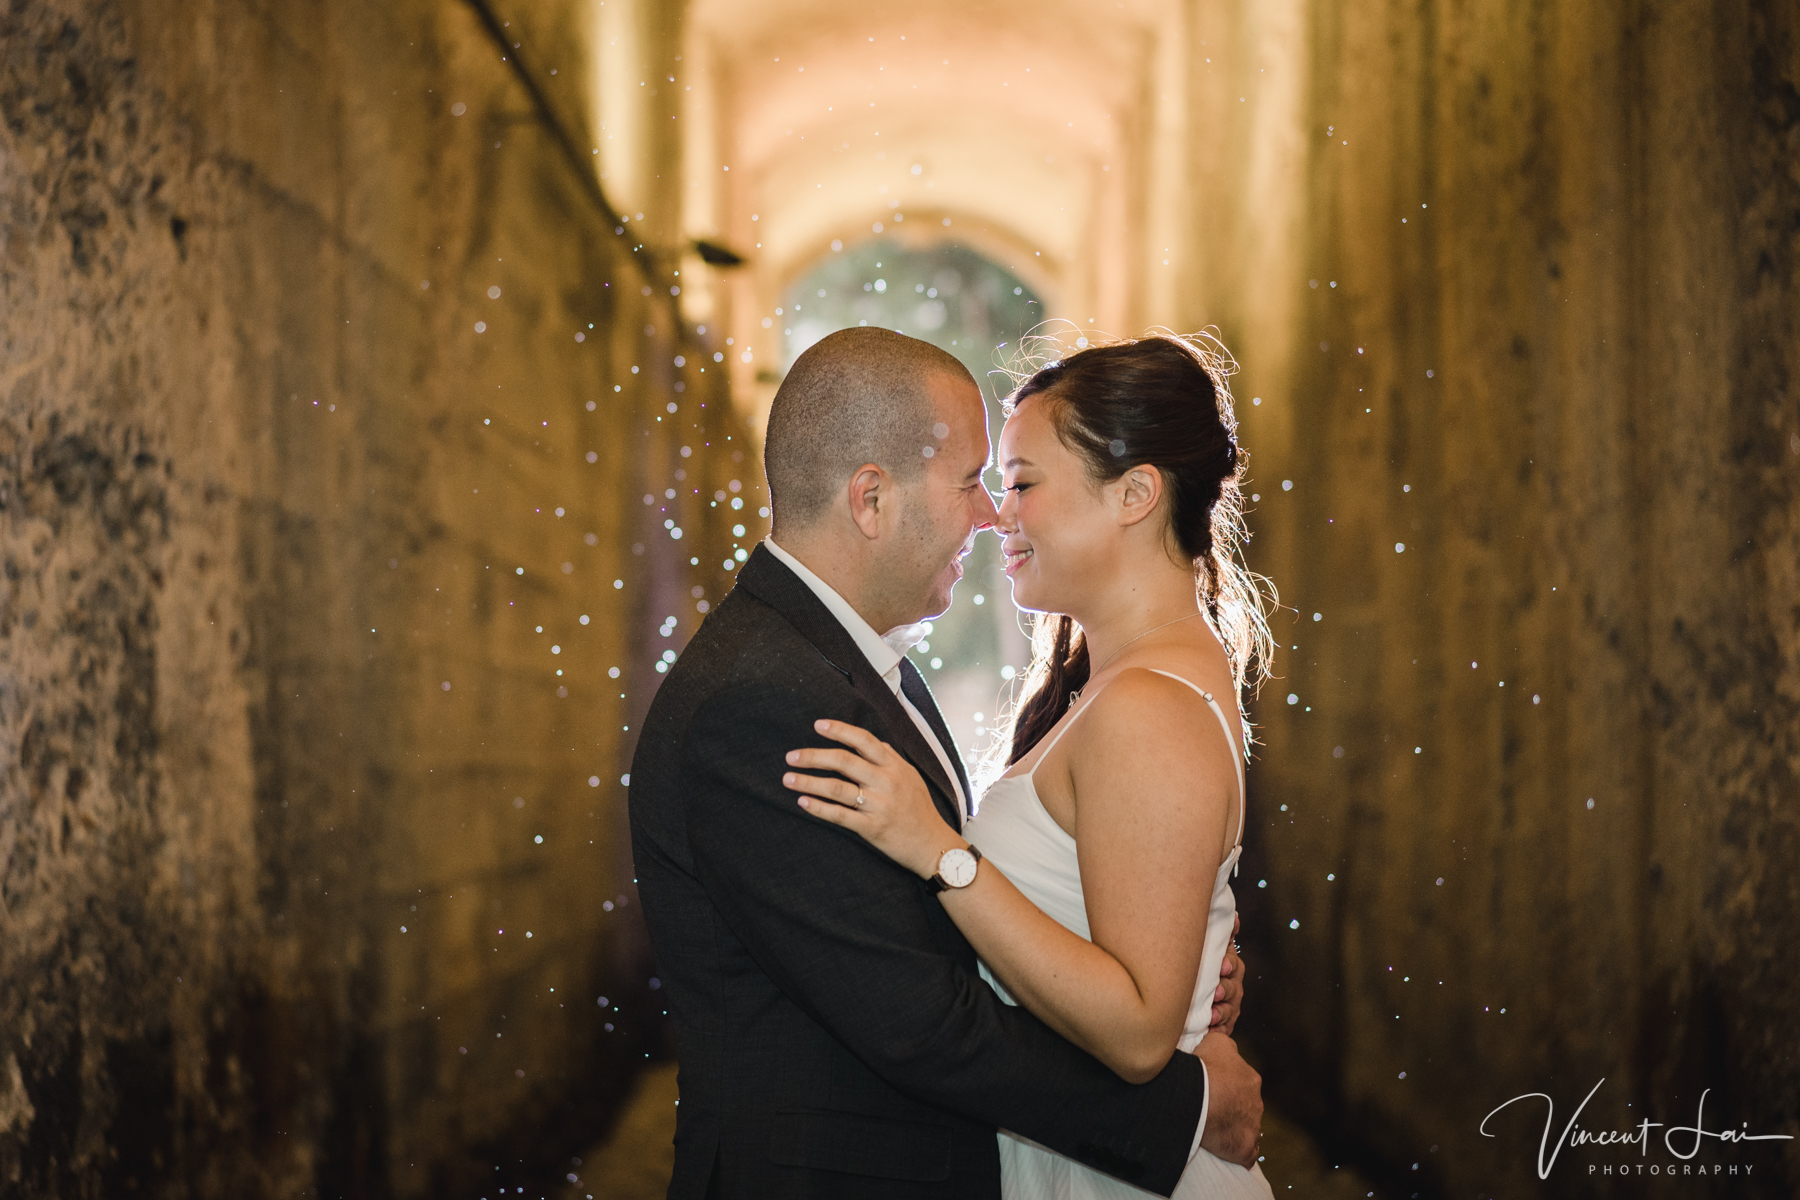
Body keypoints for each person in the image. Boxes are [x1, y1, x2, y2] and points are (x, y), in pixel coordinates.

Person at [629, 327, 1263, 1200]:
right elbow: (915, 1017)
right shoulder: (762, 696)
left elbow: (987, 957)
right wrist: (1182, 1108)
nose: (991, 512)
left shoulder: (839, 664)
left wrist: (1184, 956)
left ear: (1137, 495)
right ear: (872, 499)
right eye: (975, 481)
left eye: (1015, 482)